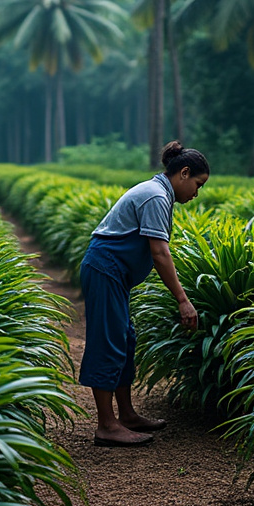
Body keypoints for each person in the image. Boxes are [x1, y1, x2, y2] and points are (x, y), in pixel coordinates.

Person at [79, 141, 209, 447]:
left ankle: (126, 415)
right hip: (105, 269)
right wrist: (183, 300)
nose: (196, 193)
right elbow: (159, 253)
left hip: (114, 275)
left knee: (125, 340)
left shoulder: (160, 194)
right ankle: (106, 425)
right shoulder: (155, 196)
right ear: (184, 173)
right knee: (108, 342)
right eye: (198, 184)